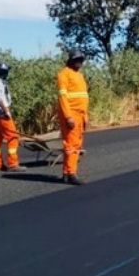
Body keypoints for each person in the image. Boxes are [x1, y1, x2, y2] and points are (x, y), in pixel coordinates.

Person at [0, 63, 26, 172]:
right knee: (13, 137)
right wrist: (6, 111)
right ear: (4, 72)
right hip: (1, 114)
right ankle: (13, 164)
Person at [57, 50, 89, 185]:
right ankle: (71, 173)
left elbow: (83, 96)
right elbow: (62, 97)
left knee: (76, 144)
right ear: (70, 60)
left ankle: (66, 173)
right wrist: (68, 116)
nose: (79, 63)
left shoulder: (80, 76)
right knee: (72, 145)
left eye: (81, 60)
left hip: (81, 114)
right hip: (71, 114)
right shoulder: (64, 74)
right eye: (77, 60)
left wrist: (85, 116)